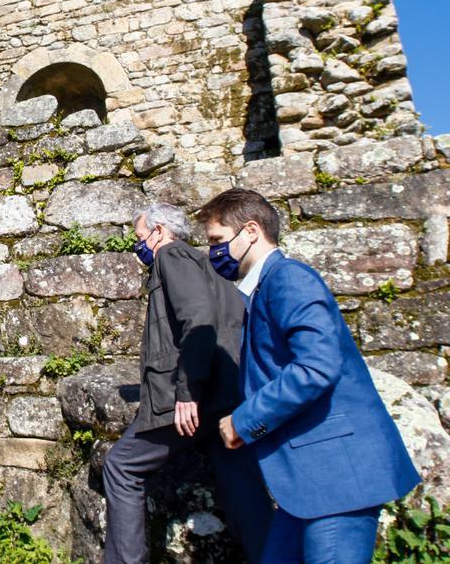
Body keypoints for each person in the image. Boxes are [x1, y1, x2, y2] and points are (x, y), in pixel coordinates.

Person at [199, 188, 420, 563]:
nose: (213, 252)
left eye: (218, 240)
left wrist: (245, 420)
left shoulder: (289, 280)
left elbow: (315, 367)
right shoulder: (265, 289)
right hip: (306, 488)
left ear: (250, 231)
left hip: (335, 479)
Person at [102, 203, 272, 564]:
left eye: (140, 237)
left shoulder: (172, 256)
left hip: (196, 396)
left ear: (159, 231)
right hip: (227, 396)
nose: (139, 246)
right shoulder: (210, 266)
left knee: (121, 466)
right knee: (241, 485)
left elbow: (198, 320)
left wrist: (187, 391)